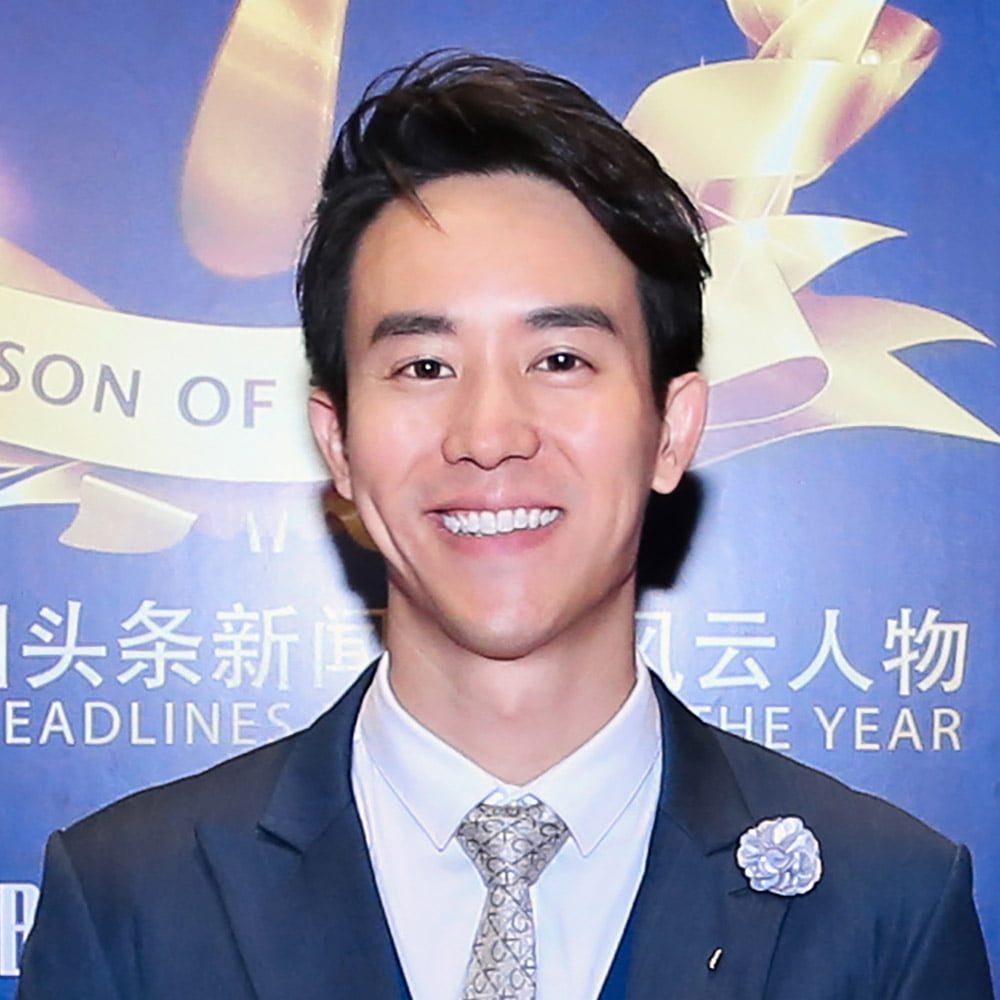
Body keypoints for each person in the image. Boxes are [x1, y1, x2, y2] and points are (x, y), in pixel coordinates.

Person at [16, 52, 993, 1000]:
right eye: (424, 367)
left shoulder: (885, 904)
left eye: (561, 359)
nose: (489, 435)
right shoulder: (130, 899)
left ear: (671, 429)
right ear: (338, 442)